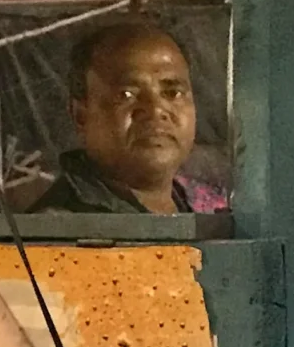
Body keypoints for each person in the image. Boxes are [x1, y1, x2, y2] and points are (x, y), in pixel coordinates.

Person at [30, 19, 200, 215]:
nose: (155, 110)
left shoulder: (190, 213)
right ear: (80, 116)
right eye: (126, 95)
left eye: (172, 93)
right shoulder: (58, 228)